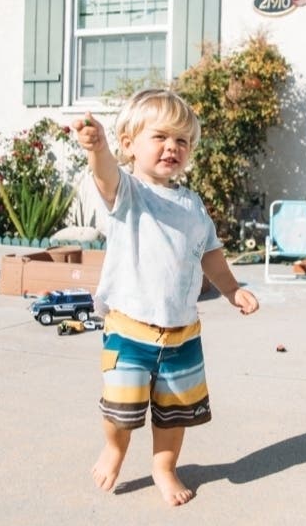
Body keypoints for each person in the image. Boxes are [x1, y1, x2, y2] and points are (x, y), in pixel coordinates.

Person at [71, 89, 259, 507]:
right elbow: (104, 175)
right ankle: (115, 450)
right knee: (121, 409)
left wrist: (231, 288)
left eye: (182, 141)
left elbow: (209, 252)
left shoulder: (192, 205)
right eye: (160, 137)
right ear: (129, 144)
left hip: (181, 333)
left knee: (176, 414)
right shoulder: (129, 193)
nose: (172, 147)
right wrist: (97, 148)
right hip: (129, 329)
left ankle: (164, 467)